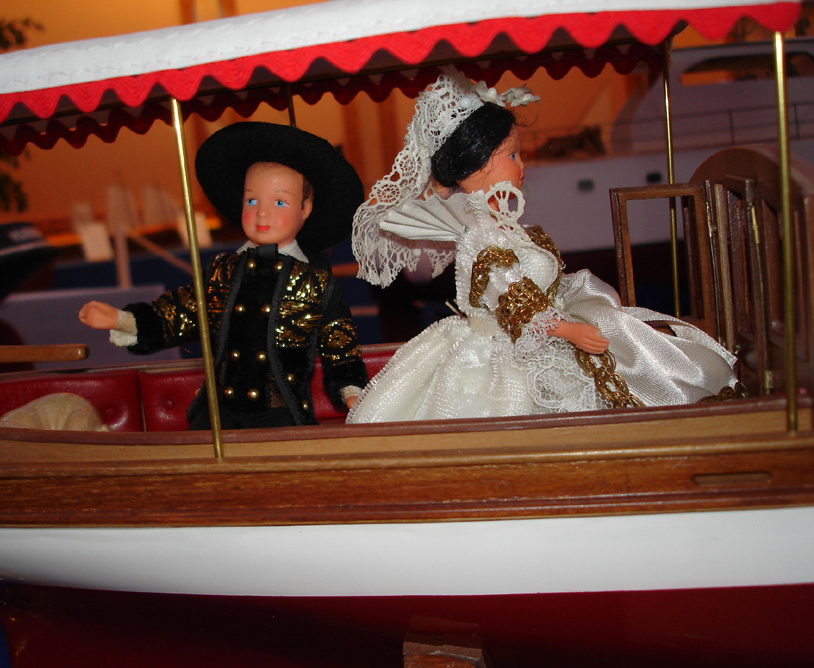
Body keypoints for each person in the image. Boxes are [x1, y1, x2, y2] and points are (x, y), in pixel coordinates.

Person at [347, 69, 739, 423]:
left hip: (537, 334)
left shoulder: (506, 226)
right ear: (477, 165)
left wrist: (579, 300)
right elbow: (513, 299)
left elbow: (536, 286)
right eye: (511, 154)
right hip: (503, 351)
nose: (522, 165)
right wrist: (568, 329)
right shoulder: (484, 237)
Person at [80, 122, 368, 429]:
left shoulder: (315, 283)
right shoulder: (223, 272)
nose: (262, 213)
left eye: (279, 202)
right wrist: (122, 319)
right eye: (251, 201)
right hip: (217, 415)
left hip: (280, 416)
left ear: (305, 207)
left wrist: (351, 390)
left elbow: (339, 342)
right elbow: (183, 310)